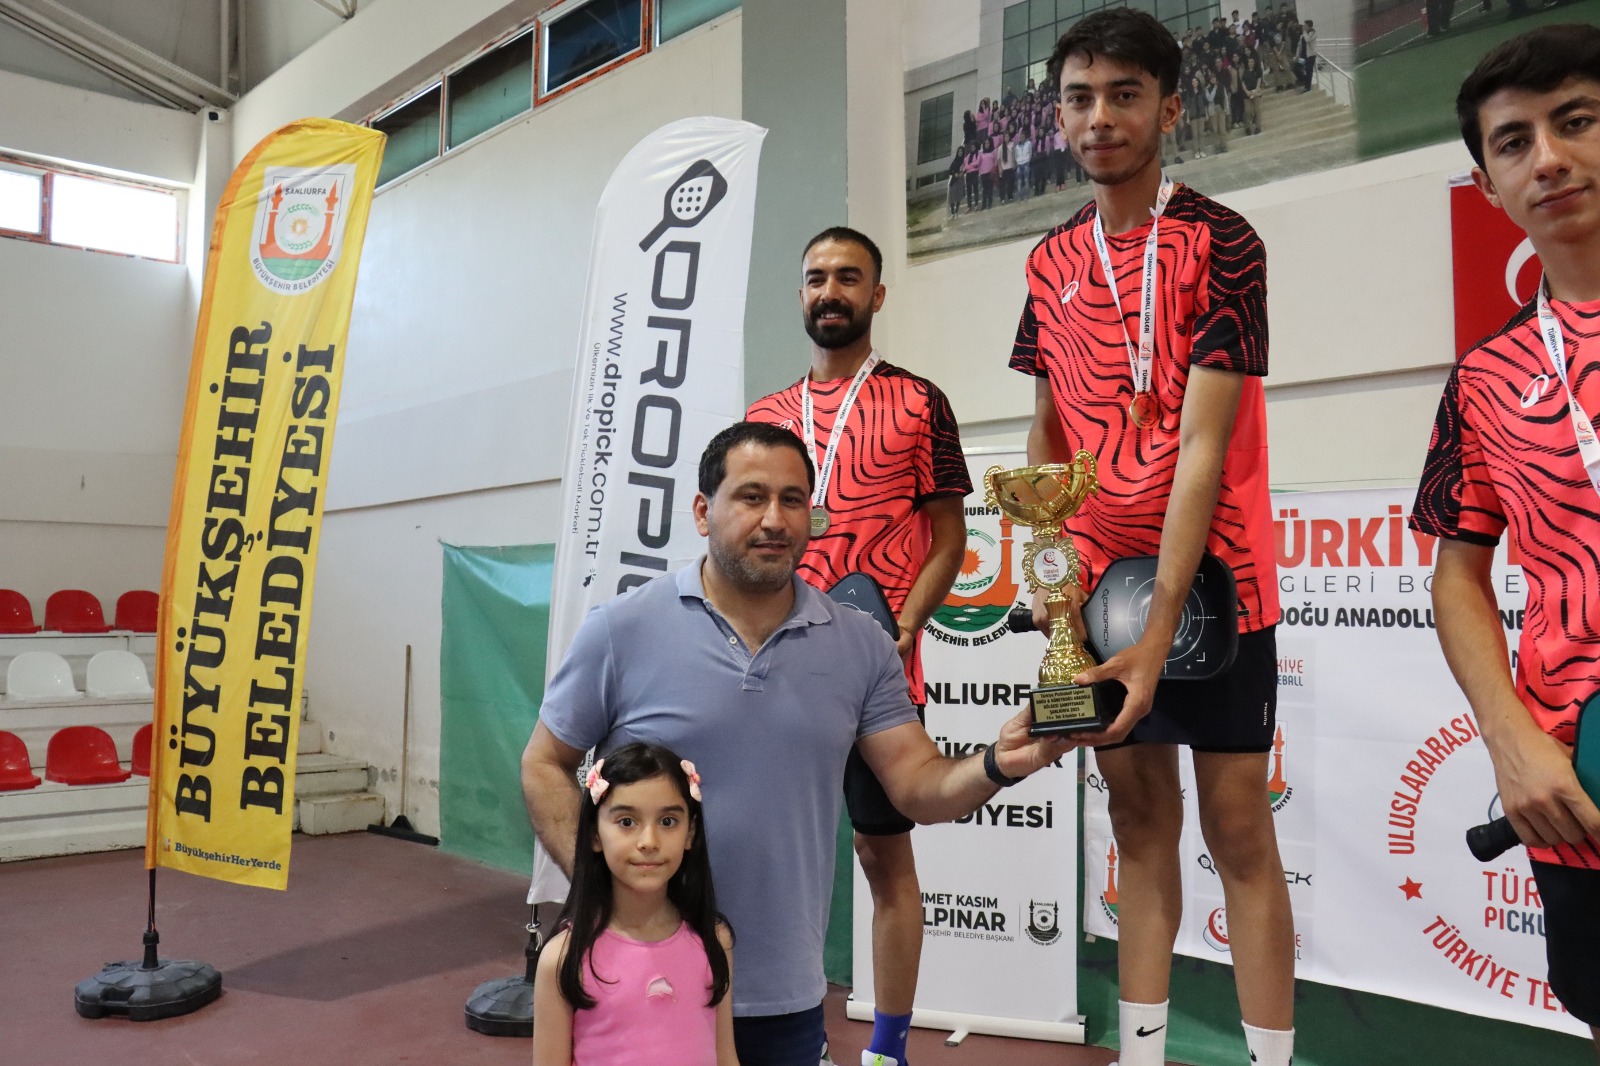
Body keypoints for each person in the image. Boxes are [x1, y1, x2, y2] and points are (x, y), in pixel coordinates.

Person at [522, 420, 1070, 1066]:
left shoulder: (860, 645)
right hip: (642, 987)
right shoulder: (621, 630)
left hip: (786, 999)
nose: (774, 520)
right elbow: (544, 764)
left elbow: (918, 786)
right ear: (702, 511)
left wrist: (998, 763)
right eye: (751, 497)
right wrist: (607, 896)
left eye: (792, 500)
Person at [1010, 10, 1292, 1066]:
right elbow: (1045, 435)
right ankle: (1142, 1054)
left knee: (1239, 833)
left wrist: (1159, 622)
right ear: (1058, 117)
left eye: (1124, 95)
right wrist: (1048, 574)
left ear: (1169, 109)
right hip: (1097, 587)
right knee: (1136, 829)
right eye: (1079, 98)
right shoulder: (1047, 260)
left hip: (1216, 582)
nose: (1100, 117)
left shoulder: (1222, 242)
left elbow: (1204, 448)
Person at [1411, 25, 1600, 1050]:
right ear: (1489, 185)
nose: (1549, 159)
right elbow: (1457, 577)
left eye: (1576, 122)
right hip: (1574, 782)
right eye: (1515, 142)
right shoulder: (1485, 379)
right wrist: (1510, 738)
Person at [746, 228, 971, 1066]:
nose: (830, 291)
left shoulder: (918, 402)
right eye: (816, 278)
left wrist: (905, 626)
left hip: (879, 675)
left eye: (848, 277)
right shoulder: (764, 418)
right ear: (801, 294)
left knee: (884, 856)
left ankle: (888, 1049)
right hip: (777, 670)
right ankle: (764, 1027)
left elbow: (948, 537)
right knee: (761, 856)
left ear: (876, 295)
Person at [532, 743, 738, 1066]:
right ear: (594, 835)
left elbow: (726, 1057)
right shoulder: (563, 959)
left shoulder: (714, 940)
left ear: (690, 833)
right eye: (627, 822)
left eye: (668, 821)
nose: (649, 842)